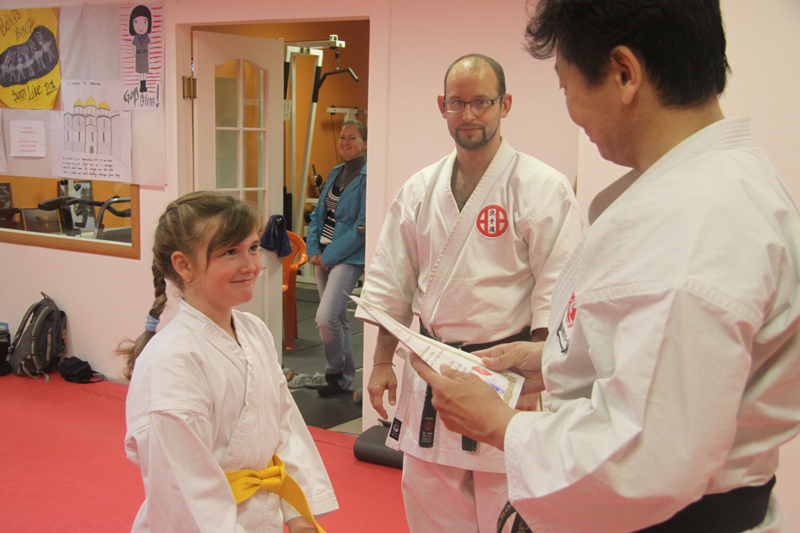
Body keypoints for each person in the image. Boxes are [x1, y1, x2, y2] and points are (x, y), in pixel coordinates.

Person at [410, 2, 800, 532]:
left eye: (567, 86)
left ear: (623, 73)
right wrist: (555, 358)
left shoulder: (692, 222)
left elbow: (646, 458)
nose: (572, 109)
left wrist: (501, 424)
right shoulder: (724, 182)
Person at [357, 54, 583, 532]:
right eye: (457, 103)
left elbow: (557, 288)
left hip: (506, 377)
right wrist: (380, 362)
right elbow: (393, 284)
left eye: (481, 101)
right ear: (442, 106)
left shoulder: (542, 187)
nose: (469, 114)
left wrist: (537, 375)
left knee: (507, 509)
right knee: (430, 508)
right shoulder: (419, 189)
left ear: (505, 104)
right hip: (431, 373)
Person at [121, 192, 337, 532]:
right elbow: (185, 494)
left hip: (263, 515)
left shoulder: (254, 331)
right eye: (230, 252)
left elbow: (283, 425)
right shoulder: (173, 362)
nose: (250, 265)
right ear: (184, 265)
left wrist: (299, 515)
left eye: (252, 247)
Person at [304, 120, 368, 397]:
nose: (345, 142)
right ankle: (343, 381)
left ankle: (334, 372)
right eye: (342, 137)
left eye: (352, 137)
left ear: (365, 143)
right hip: (323, 255)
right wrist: (313, 250)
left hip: (347, 257)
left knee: (325, 317)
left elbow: (362, 227)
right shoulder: (335, 172)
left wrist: (328, 256)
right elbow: (318, 215)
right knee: (337, 319)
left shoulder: (369, 176)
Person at [129, 5, 152, 93]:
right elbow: (134, 47)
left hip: (144, 55)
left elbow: (149, 46)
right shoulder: (136, 38)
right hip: (139, 56)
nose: (141, 26)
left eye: (144, 22)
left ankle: (144, 86)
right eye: (136, 22)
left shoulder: (146, 37)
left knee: (144, 72)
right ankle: (141, 86)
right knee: (140, 73)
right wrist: (136, 55)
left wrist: (147, 54)